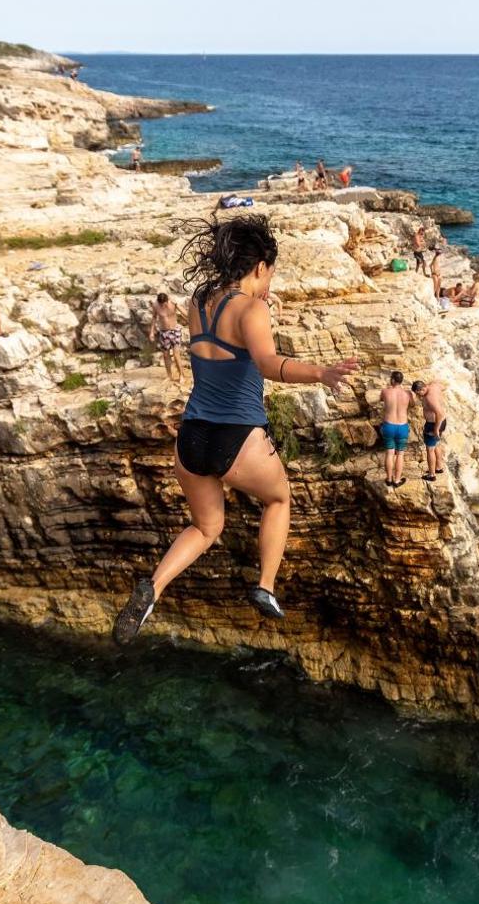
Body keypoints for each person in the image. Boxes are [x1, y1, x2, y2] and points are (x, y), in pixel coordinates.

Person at [113, 216, 359, 641]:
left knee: (206, 528)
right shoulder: (252, 308)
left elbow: (228, 340)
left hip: (192, 436)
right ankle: (265, 587)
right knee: (279, 499)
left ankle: (152, 587)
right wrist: (321, 372)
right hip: (238, 436)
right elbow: (266, 363)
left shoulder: (197, 301)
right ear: (261, 266)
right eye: (270, 274)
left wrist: (256, 305)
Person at [380, 371, 412, 488]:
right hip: (402, 427)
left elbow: (381, 399)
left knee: (389, 453)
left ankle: (388, 479)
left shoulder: (385, 391)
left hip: (389, 426)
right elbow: (412, 404)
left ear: (392, 380)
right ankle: (397, 480)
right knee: (400, 455)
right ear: (401, 380)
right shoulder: (407, 394)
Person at [412, 379, 448, 481]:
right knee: (436, 444)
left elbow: (440, 414)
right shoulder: (435, 385)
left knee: (430, 449)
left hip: (434, 424)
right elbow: (444, 386)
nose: (419, 395)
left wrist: (436, 429)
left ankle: (431, 475)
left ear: (423, 388)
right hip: (441, 422)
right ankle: (439, 467)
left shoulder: (429, 398)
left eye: (419, 393)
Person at [150, 292, 185, 381]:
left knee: (176, 354)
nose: (162, 306)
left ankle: (181, 375)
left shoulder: (173, 304)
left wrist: (177, 305)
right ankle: (169, 376)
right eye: (160, 304)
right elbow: (154, 318)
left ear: (167, 301)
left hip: (175, 330)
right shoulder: (155, 305)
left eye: (164, 304)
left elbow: (186, 314)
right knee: (165, 355)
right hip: (164, 332)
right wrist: (151, 332)